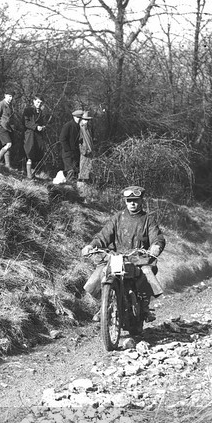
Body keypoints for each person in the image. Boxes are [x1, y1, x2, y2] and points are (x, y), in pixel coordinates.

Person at [81, 185, 166, 322]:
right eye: (129, 200)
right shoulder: (117, 218)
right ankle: (104, 306)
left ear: (141, 201)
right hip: (117, 257)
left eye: (135, 200)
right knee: (102, 272)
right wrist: (91, 246)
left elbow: (157, 237)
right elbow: (103, 236)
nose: (132, 203)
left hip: (139, 257)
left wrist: (155, 247)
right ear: (125, 201)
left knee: (146, 273)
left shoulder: (148, 219)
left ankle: (144, 308)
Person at [23, 95, 48, 178]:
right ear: (33, 101)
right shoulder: (28, 110)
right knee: (29, 153)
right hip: (30, 134)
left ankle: (34, 174)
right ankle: (29, 175)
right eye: (37, 102)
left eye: (41, 103)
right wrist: (36, 127)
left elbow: (43, 122)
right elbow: (26, 123)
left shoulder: (41, 112)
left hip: (38, 135)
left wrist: (43, 127)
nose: (39, 104)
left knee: (38, 154)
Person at [0, 92, 16, 169]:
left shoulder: (9, 105)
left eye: (12, 96)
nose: (11, 98)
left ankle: (8, 165)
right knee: (8, 144)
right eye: (9, 96)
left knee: (7, 146)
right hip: (2, 128)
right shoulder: (0, 104)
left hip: (8, 128)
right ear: (5, 95)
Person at [59, 109, 82, 182]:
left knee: (75, 171)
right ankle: (68, 189)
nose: (79, 119)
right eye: (77, 117)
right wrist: (68, 149)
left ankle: (72, 188)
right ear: (74, 117)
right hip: (68, 154)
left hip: (76, 153)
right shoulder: (68, 125)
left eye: (80, 118)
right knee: (70, 171)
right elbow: (62, 139)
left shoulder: (80, 127)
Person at [76, 111, 95, 192]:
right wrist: (84, 151)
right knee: (83, 170)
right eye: (85, 119)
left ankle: (86, 189)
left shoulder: (89, 128)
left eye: (88, 120)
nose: (86, 121)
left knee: (89, 169)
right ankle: (81, 188)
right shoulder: (80, 128)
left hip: (90, 152)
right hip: (84, 152)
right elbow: (79, 141)